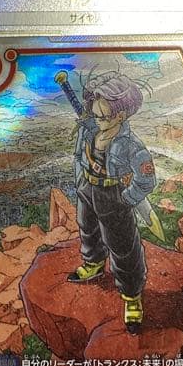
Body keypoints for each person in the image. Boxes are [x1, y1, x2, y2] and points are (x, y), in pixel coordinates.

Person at [69, 71, 155, 332]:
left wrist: (126, 199)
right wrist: (81, 183)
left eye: (104, 117)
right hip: (88, 189)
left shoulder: (131, 145)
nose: (99, 121)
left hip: (113, 196)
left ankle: (132, 297)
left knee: (123, 246)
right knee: (87, 229)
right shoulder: (89, 130)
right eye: (96, 115)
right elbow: (79, 157)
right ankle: (93, 263)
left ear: (121, 115)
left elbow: (146, 179)